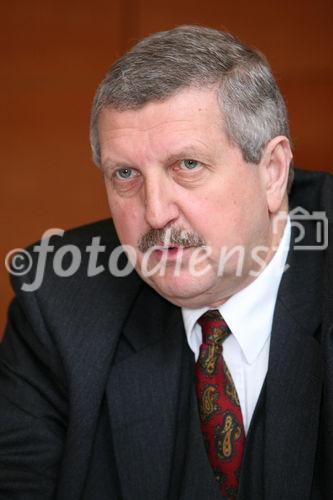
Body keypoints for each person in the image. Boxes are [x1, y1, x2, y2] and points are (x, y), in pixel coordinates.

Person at [0, 25, 332, 500]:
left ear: (273, 171)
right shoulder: (57, 301)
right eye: (126, 174)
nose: (155, 212)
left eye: (187, 166)